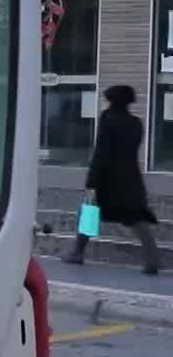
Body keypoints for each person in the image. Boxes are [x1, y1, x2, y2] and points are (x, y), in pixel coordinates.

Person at [67, 84, 159, 275]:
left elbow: (101, 152)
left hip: (108, 178)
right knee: (137, 218)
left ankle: (78, 253)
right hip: (131, 177)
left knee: (90, 213)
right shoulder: (136, 123)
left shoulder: (108, 119)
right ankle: (152, 261)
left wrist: (91, 181)